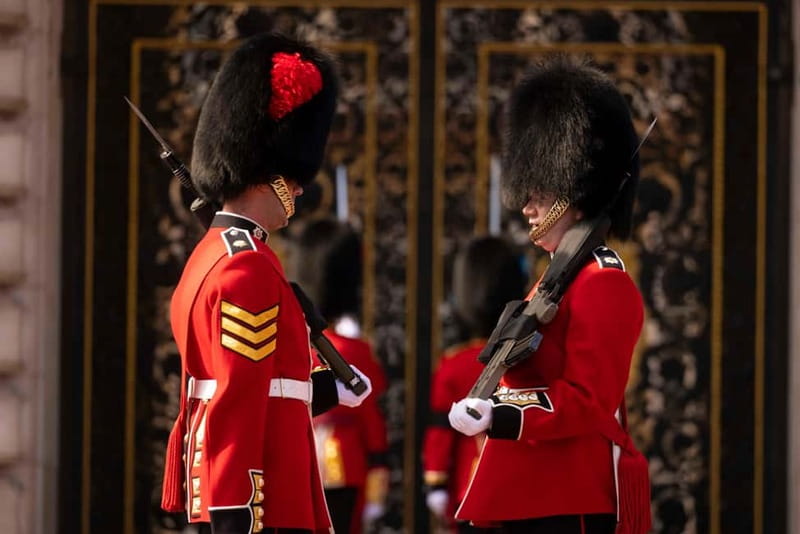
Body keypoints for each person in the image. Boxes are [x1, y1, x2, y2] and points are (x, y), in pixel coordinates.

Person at [160, 33, 373, 534]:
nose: (299, 189)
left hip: (238, 487)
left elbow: (267, 388)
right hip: (264, 500)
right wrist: (240, 512)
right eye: (295, 178)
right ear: (270, 173)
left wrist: (328, 390)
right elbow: (238, 400)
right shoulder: (247, 267)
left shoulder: (212, 255)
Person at [447, 56, 649, 534]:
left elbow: (586, 402)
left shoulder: (603, 282)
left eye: (538, 190)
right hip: (530, 490)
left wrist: (502, 415)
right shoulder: (556, 277)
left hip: (567, 493)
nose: (526, 205)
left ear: (572, 185)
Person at [422, 236, 528, 533]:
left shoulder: (455, 363)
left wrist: (436, 481)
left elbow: (440, 434)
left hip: (470, 483)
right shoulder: (527, 360)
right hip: (522, 485)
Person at [291, 218, 390, 534]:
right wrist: (378, 466)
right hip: (344, 461)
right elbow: (370, 415)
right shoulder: (354, 348)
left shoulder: (290, 343)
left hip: (295, 456)